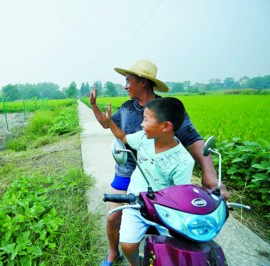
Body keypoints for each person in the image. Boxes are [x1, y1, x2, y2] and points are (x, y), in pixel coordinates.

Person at [89, 59, 229, 265]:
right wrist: (94, 106)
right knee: (112, 217)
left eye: (128, 80)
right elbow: (109, 125)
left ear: (143, 82)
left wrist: (209, 174)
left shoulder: (167, 110)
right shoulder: (127, 107)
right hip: (128, 171)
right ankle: (113, 253)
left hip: (161, 179)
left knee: (176, 226)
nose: (125, 85)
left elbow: (193, 139)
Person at [103, 97, 195, 266]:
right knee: (128, 245)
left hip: (163, 211)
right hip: (136, 203)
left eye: (145, 120)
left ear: (165, 126)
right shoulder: (143, 139)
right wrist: (109, 121)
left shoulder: (183, 161)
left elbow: (179, 195)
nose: (141, 124)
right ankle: (135, 263)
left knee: (170, 251)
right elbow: (123, 137)